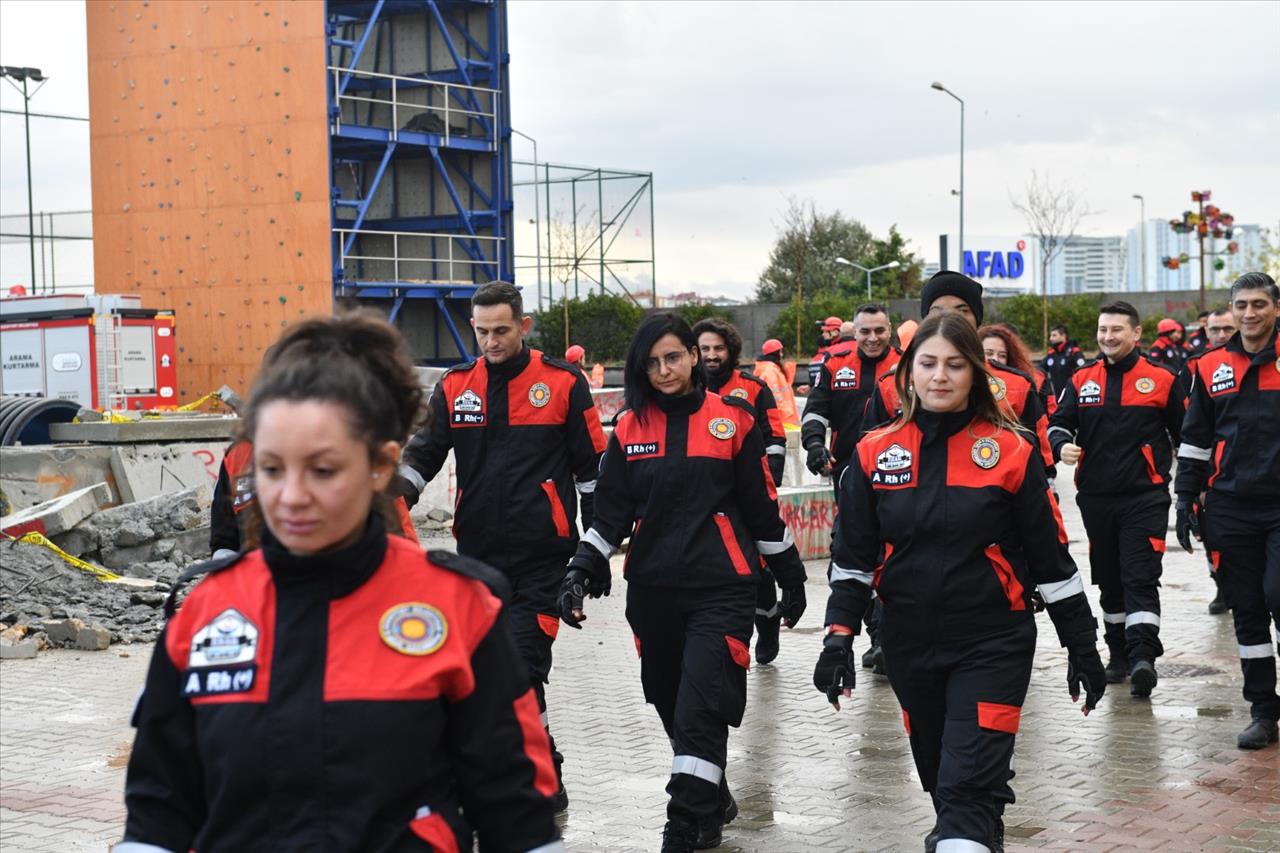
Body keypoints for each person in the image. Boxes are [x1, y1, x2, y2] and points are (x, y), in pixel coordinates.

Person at [122, 312, 563, 853]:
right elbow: (157, 812)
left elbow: (515, 812)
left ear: (380, 466)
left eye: (323, 469)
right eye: (272, 469)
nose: (291, 495)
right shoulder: (205, 615)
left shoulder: (458, 609)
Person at [814, 311, 1105, 853]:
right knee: (943, 778)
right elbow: (852, 560)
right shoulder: (874, 452)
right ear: (909, 374)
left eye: (954, 365)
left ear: (975, 374)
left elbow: (1051, 561)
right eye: (927, 364)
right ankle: (976, 826)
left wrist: (1083, 644)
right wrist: (838, 638)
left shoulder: (1011, 451)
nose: (940, 377)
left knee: (964, 787)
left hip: (993, 641)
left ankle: (970, 826)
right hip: (907, 641)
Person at [560, 313, 808, 852]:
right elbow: (611, 515)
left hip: (722, 589)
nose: (664, 369)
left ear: (694, 356)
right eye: (652, 362)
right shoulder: (629, 426)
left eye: (673, 356)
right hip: (652, 591)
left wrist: (790, 578)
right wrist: (581, 567)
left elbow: (761, 511)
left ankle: (683, 822)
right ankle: (710, 793)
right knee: (668, 700)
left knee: (701, 704)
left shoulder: (733, 420)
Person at [393, 282, 607, 810]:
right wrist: (389, 491)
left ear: (524, 326)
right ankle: (542, 766)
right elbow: (424, 454)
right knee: (490, 674)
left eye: (501, 330)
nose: (491, 341)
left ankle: (536, 778)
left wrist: (596, 549)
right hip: (476, 563)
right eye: (482, 331)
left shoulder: (561, 383)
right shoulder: (456, 386)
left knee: (521, 667)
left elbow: (592, 472)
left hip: (544, 560)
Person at [1048, 301, 1185, 697]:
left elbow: (1186, 433)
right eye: (1102, 329)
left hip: (1146, 497)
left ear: (1137, 333)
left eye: (1116, 330)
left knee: (1139, 574)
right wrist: (1061, 447)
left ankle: (1144, 656)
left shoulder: (1161, 378)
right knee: (1108, 579)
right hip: (1095, 499)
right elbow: (1059, 423)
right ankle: (1119, 656)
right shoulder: (1082, 378)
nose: (1107, 337)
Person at [1176, 272, 1280, 750]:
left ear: (1275, 308)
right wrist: (1184, 497)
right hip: (1231, 507)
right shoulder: (1209, 366)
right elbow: (1196, 438)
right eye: (1242, 305)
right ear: (1232, 310)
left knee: (1278, 595)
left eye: (1260, 304)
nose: (1250, 313)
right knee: (1249, 612)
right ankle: (1263, 710)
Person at [861, 272, 1056, 481]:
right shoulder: (891, 384)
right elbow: (867, 454)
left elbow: (1040, 463)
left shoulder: (1017, 385)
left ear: (977, 320)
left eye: (962, 311)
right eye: (937, 311)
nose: (949, 319)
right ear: (925, 320)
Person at [802, 304, 900, 673]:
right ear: (853, 333)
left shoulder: (908, 366)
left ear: (889, 330)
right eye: (865, 331)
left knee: (889, 556)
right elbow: (815, 411)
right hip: (848, 476)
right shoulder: (834, 364)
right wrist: (814, 444)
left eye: (879, 331)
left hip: (898, 476)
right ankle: (865, 631)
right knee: (851, 552)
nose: (872, 338)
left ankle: (882, 639)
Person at [694, 317, 790, 664]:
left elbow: (775, 436)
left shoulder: (752, 387)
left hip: (746, 496)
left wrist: (769, 478)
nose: (711, 355)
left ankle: (767, 621)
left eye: (718, 348)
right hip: (705, 498)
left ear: (730, 350)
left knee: (758, 568)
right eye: (704, 348)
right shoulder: (684, 389)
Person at [1179, 306, 1237, 615]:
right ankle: (1221, 585)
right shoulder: (1194, 368)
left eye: (1227, 329)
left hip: (1242, 469)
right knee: (1209, 532)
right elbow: (1184, 425)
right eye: (1215, 330)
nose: (1221, 335)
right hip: (1206, 467)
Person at [980, 324, 1055, 417]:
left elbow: (1045, 418)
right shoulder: (967, 380)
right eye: (989, 353)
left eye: (1002, 355)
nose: (995, 359)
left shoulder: (1031, 380)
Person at [754, 338, 800, 427]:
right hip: (784, 419)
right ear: (776, 353)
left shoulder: (772, 370)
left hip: (785, 418)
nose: (782, 355)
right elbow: (774, 396)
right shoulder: (770, 371)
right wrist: (786, 411)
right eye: (780, 352)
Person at [1042, 324, 1088, 399]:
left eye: (1054, 335)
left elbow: (1084, 369)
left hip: (1073, 397)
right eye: (1050, 336)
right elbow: (1041, 368)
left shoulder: (1074, 352)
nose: (1051, 338)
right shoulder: (1051, 353)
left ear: (1063, 336)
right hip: (1057, 397)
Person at [807, 315, 844, 386]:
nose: (823, 335)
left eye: (825, 331)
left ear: (835, 332)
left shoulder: (833, 352)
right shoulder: (838, 349)